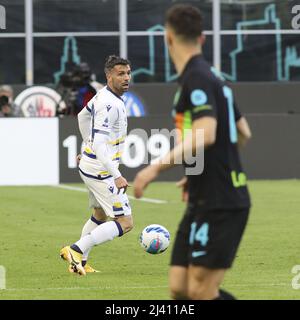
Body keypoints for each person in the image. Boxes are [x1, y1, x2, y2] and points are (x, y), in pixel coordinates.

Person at [133, 4, 252, 300]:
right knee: (180, 288)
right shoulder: (213, 77)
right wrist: (201, 170)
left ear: (167, 38)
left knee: (200, 292)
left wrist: (153, 168)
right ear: (203, 38)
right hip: (205, 195)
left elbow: (207, 132)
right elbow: (244, 132)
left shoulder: (197, 77)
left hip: (221, 201)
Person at [60, 55, 133, 276]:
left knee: (99, 216)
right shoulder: (109, 104)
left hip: (91, 165)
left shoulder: (103, 95)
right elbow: (101, 143)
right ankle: (75, 249)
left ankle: (79, 263)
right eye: (121, 74)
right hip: (101, 171)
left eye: (128, 73)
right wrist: (116, 174)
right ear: (109, 76)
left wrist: (87, 147)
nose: (126, 78)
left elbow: (82, 116)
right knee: (125, 222)